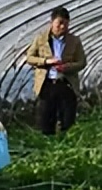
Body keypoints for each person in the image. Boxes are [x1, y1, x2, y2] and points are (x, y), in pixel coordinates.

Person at [24, 7, 87, 135]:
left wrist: (66, 67)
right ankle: (48, 145)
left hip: (66, 84)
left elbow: (82, 62)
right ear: (52, 22)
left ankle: (66, 142)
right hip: (47, 84)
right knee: (46, 119)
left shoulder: (74, 41)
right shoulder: (41, 39)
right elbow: (29, 58)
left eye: (66, 23)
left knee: (68, 120)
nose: (62, 26)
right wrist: (46, 62)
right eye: (59, 23)